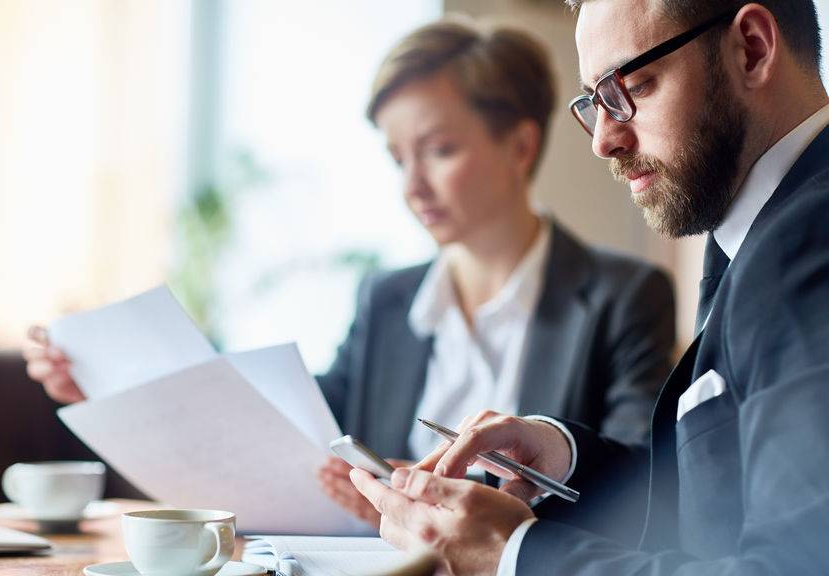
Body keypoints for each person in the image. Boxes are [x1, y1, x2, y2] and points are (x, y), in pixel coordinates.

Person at [24, 17, 676, 531]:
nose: (412, 186)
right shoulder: (387, 299)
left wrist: (428, 512)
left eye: (439, 150)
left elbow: (636, 493)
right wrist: (113, 392)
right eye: (398, 158)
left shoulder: (623, 297)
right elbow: (287, 435)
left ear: (521, 146)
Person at [349, 1, 829, 574]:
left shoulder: (810, 241)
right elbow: (714, 504)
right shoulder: (756, 231)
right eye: (595, 101)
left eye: (632, 86)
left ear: (751, 47)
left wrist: (513, 555)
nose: (603, 139)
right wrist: (561, 455)